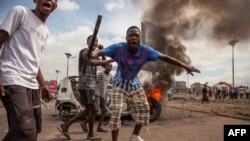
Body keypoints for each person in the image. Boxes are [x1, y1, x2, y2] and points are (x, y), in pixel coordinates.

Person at [85, 26, 201, 141]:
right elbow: (98, 53)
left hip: (134, 82)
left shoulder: (146, 51)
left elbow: (165, 57)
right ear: (126, 38)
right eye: (131, 35)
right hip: (119, 83)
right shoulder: (118, 48)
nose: (134, 38)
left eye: (136, 35)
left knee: (145, 110)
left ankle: (134, 136)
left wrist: (185, 66)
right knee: (116, 113)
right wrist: (90, 54)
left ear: (140, 38)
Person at [0, 0, 57, 140]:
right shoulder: (21, 12)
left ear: (55, 5)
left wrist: (43, 85)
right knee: (24, 130)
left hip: (31, 84)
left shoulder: (45, 31)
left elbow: (34, 60)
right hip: (12, 77)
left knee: (35, 131)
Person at [57, 35, 113, 140]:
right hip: (86, 84)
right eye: (92, 40)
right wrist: (110, 60)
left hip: (90, 86)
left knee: (89, 110)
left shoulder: (95, 54)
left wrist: (103, 53)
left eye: (96, 40)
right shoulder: (84, 52)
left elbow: (104, 66)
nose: (95, 41)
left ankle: (68, 126)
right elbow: (96, 62)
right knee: (93, 109)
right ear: (87, 42)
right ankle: (89, 133)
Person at [81, 63, 113, 132]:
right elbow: (95, 83)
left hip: (103, 95)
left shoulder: (110, 76)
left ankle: (99, 127)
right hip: (97, 94)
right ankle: (84, 123)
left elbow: (112, 83)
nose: (109, 68)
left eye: (110, 67)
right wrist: (93, 94)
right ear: (105, 67)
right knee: (95, 110)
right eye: (107, 66)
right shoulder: (100, 74)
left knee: (104, 110)